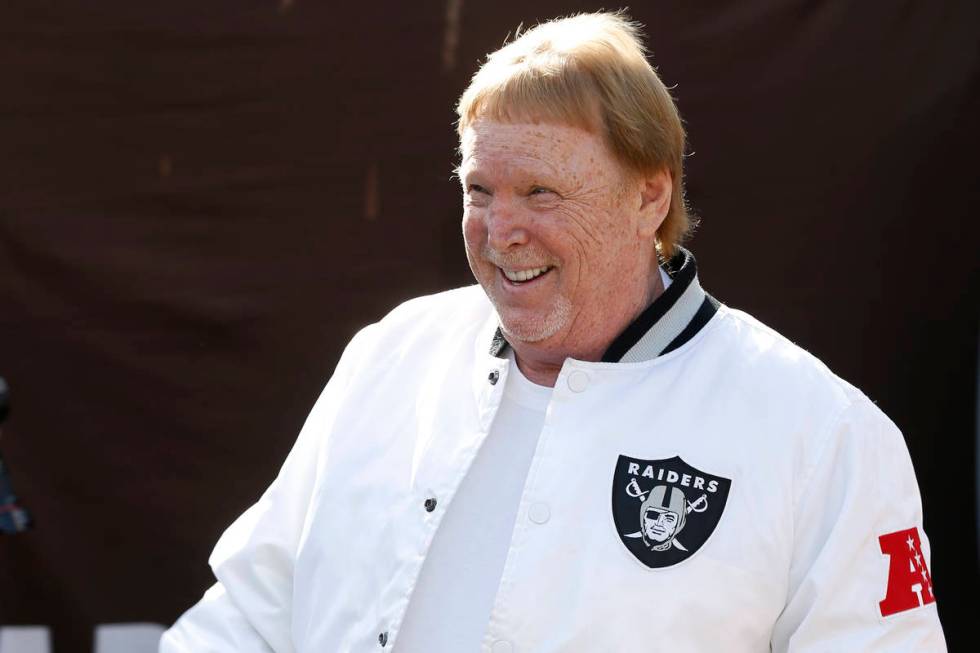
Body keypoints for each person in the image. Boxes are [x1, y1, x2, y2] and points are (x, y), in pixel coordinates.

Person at [161, 12, 946, 652]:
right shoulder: (394, 352)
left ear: (648, 196)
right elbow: (248, 619)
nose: (502, 231)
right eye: (480, 189)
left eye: (540, 192)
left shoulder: (822, 432)